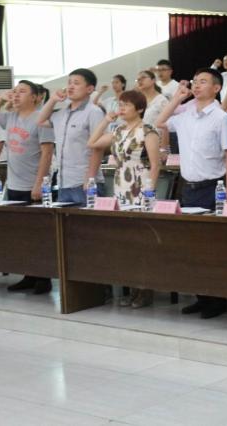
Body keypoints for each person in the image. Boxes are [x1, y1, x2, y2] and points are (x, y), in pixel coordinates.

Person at [154, 69, 227, 320]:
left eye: (203, 82)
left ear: (216, 88)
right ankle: (202, 297)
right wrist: (178, 97)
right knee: (192, 246)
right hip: (188, 188)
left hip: (212, 188)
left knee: (212, 248)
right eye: (195, 82)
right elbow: (160, 122)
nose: (197, 86)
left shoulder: (221, 117)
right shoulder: (185, 115)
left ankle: (217, 300)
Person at [88, 90, 161, 309]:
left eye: (126, 105)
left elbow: (155, 165)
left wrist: (149, 192)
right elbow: (93, 143)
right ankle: (131, 288)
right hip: (121, 185)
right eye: (120, 104)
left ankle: (144, 290)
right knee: (126, 240)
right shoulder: (118, 130)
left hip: (140, 185)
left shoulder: (148, 131)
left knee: (141, 240)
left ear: (140, 109)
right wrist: (106, 120)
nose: (121, 108)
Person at [0, 82, 55, 294]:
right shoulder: (10, 118)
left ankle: (44, 279)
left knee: (39, 234)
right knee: (22, 234)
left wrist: (39, 184)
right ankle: (29, 275)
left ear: (35, 97)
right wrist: (2, 97)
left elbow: (47, 153)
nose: (16, 95)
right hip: (14, 185)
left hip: (33, 185)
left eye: (22, 92)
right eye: (14, 92)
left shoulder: (41, 119)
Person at [37, 68, 106, 205]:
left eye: (76, 83)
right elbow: (40, 121)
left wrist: (90, 178)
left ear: (90, 89)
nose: (70, 86)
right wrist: (53, 100)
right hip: (63, 183)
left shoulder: (94, 112)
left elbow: (98, 147)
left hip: (84, 182)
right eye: (69, 83)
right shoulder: (61, 113)